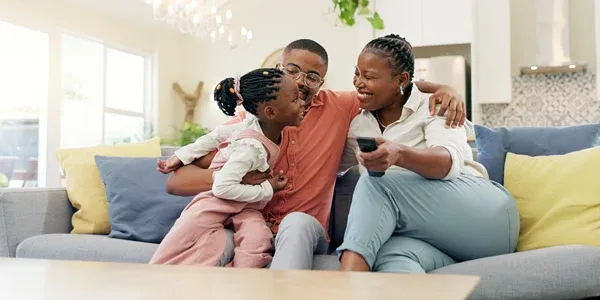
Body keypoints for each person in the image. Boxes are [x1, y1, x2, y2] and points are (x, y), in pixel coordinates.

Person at [164, 39, 468, 270]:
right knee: (215, 249)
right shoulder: (253, 119)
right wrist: (237, 179)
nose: (301, 82)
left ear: (322, 82)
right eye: (292, 70)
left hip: (304, 228)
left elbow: (387, 87)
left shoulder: (340, 106)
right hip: (246, 224)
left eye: (313, 76)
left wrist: (446, 87)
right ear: (279, 71)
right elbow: (177, 181)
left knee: (295, 223)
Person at [336, 34, 520, 273]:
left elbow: (447, 161)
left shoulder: (436, 105)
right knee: (391, 255)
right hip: (439, 237)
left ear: (401, 79)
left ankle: (344, 285)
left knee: (376, 182)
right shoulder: (359, 126)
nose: (358, 82)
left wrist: (399, 154)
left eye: (369, 76)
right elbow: (332, 168)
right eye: (357, 73)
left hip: (487, 216)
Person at [150, 68, 304, 268]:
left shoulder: (255, 124)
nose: (302, 103)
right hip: (215, 202)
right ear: (271, 112)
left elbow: (217, 134)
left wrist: (181, 155)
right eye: (294, 100)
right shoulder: (250, 147)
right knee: (174, 249)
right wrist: (268, 188)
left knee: (258, 239)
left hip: (244, 206)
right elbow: (222, 188)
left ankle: (239, 284)